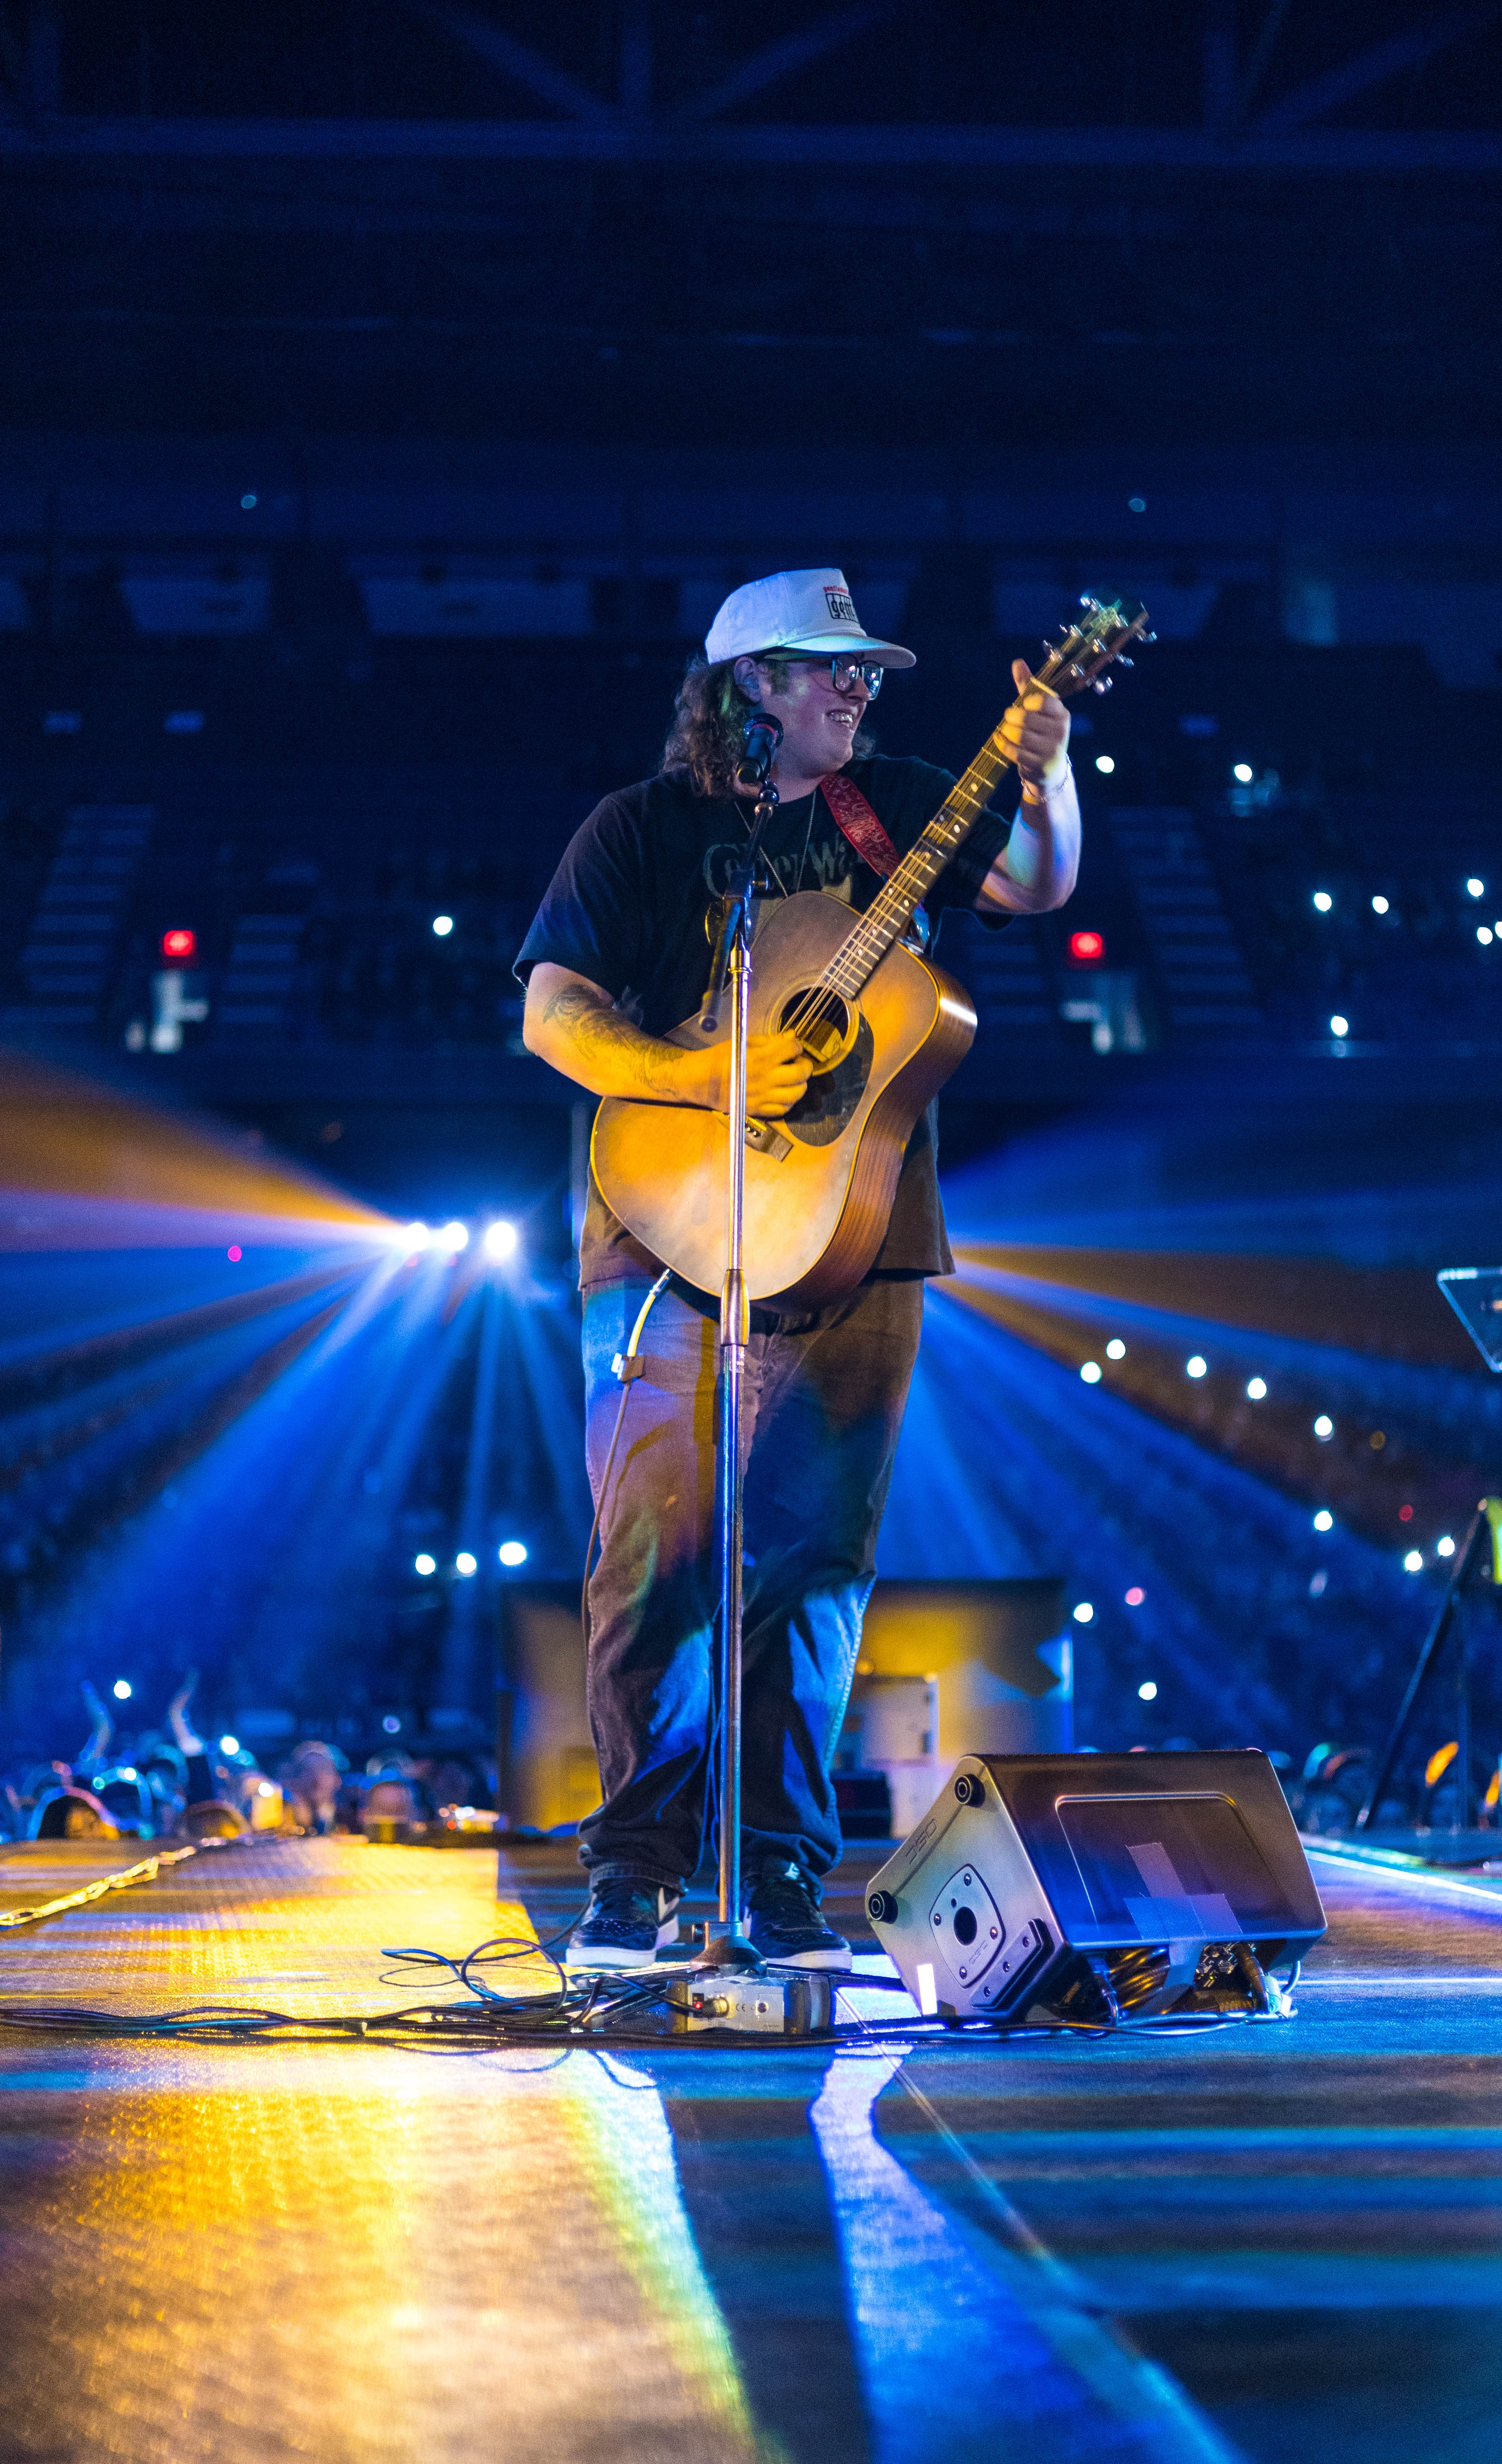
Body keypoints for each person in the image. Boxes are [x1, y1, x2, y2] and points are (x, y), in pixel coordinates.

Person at [516, 567, 1077, 1969]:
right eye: (829, 666)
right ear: (748, 687)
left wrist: (1051, 779)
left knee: (815, 1566)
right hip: (662, 1230)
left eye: (867, 668)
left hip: (862, 1231)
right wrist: (706, 1073)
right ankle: (636, 1876)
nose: (859, 686)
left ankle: (776, 1879)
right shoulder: (639, 831)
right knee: (654, 1562)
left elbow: (1034, 884)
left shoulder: (890, 799)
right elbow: (553, 1015)